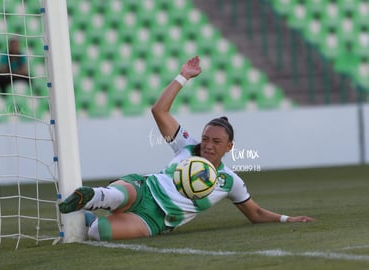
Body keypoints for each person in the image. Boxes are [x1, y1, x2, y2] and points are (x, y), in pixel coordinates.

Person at [59, 56, 314, 241]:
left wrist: (286, 219)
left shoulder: (228, 182)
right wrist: (184, 76)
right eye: (206, 139)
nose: (208, 145)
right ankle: (92, 197)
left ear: (229, 147)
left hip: (156, 220)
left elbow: (255, 213)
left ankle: (89, 218)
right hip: (145, 190)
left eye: (216, 142)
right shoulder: (187, 146)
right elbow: (159, 111)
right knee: (119, 195)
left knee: (97, 233)